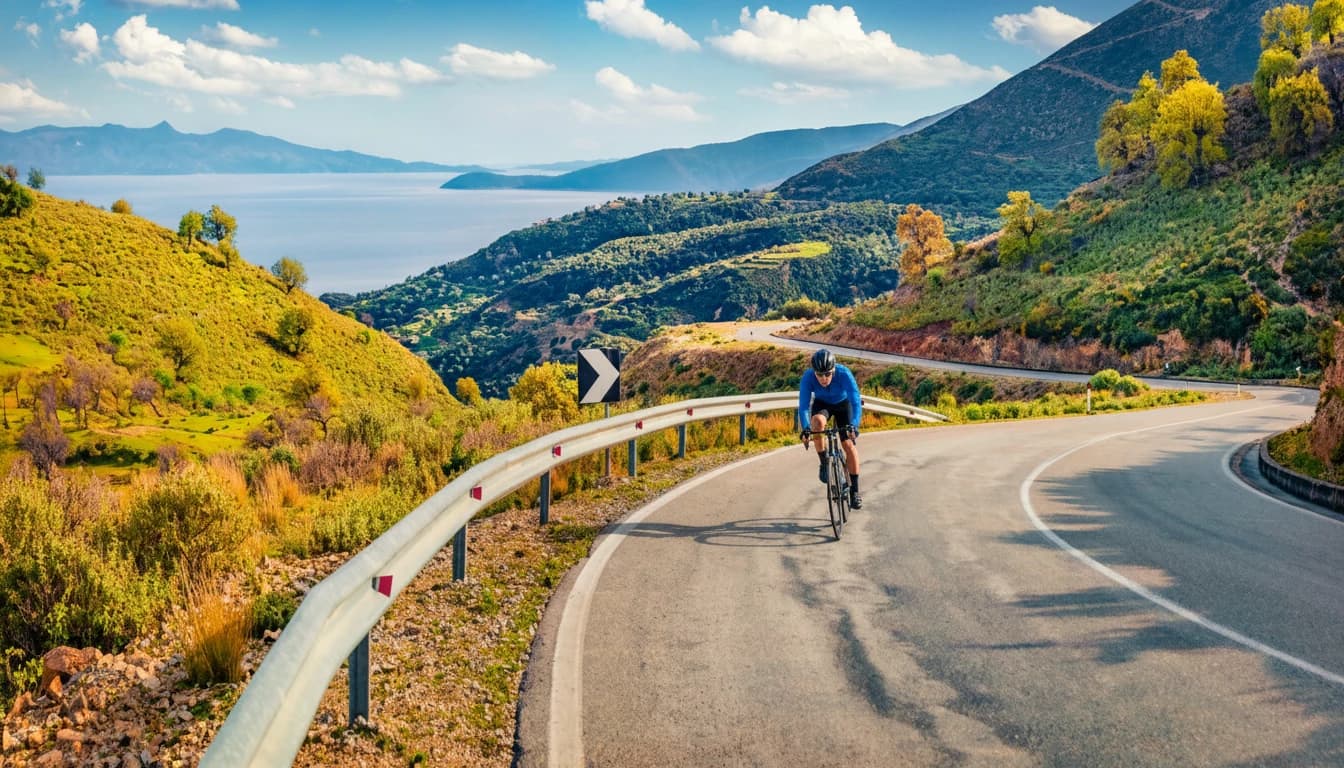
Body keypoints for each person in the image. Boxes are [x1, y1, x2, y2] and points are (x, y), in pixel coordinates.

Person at [798, 348, 863, 509]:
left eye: (827, 374)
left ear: (833, 370)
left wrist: (854, 425)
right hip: (823, 405)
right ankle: (824, 464)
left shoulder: (844, 374)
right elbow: (804, 407)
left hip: (843, 404)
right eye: (819, 374)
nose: (824, 378)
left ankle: (855, 491)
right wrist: (806, 428)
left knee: (848, 444)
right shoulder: (808, 377)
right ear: (814, 372)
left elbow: (855, 402)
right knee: (817, 423)